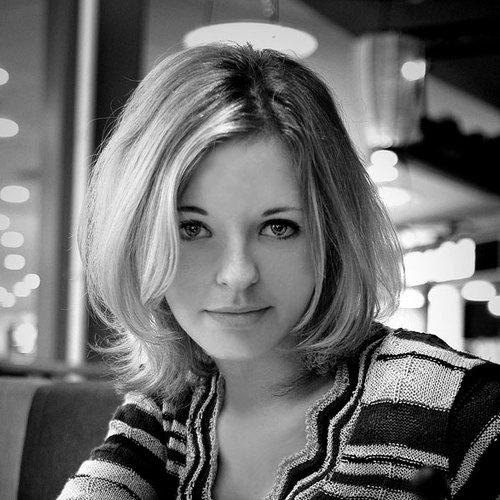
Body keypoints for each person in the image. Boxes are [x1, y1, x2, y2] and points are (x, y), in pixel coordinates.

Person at [58, 44, 500, 500]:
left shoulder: (456, 407)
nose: (238, 274)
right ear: (137, 240)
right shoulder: (165, 412)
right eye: (191, 228)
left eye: (278, 227)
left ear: (332, 235)